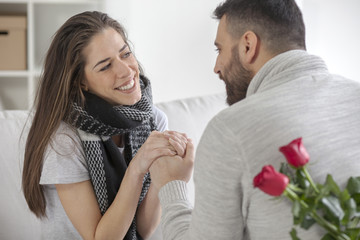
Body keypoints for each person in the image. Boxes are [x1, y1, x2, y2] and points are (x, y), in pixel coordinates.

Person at [149, 0, 360, 239]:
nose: (216, 67)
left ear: (248, 45)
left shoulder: (230, 129)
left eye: (220, 50)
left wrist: (171, 185)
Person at [22, 11, 188, 240]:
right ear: (81, 82)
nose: (126, 70)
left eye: (125, 54)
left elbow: (143, 229)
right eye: (105, 66)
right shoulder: (65, 140)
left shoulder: (152, 120)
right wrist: (138, 166)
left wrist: (175, 177)